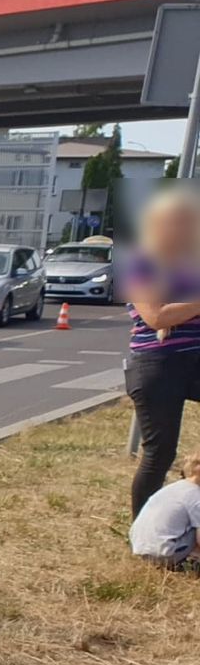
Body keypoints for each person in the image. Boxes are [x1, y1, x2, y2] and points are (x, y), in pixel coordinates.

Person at [123, 185, 200, 517]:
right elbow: (155, 315)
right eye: (173, 220)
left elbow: (173, 312)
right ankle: (143, 530)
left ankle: (192, 484)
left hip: (193, 360)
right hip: (157, 363)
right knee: (159, 454)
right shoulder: (141, 262)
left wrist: (182, 308)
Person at [131, 450, 200, 567]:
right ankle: (192, 563)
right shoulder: (196, 497)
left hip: (140, 548)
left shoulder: (174, 488)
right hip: (166, 554)